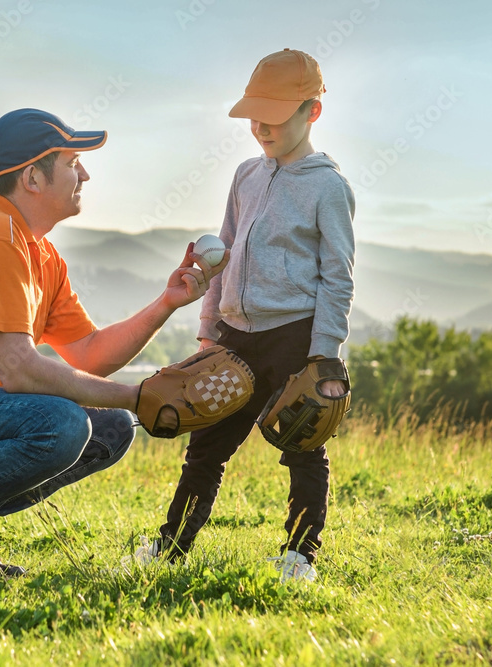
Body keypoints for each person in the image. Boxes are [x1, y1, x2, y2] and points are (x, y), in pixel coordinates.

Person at [0, 108, 227, 582]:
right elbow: (20, 371)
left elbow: (89, 354)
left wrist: (168, 303)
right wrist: (141, 396)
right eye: (72, 162)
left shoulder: (39, 253)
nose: (84, 173)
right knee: (61, 424)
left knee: (111, 428)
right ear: (32, 176)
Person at [135, 49, 355, 582]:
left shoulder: (328, 187)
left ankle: (300, 556)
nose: (261, 126)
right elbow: (224, 254)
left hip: (294, 338)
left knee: (302, 445)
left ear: (312, 113)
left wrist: (324, 357)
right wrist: (210, 331)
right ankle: (171, 547)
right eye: (256, 114)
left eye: (276, 115)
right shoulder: (245, 176)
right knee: (205, 448)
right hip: (235, 335)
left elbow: (338, 277)